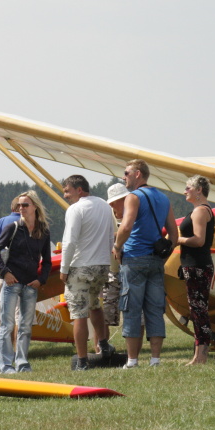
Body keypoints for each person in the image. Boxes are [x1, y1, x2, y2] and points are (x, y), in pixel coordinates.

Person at [113, 159, 178, 369]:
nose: (124, 177)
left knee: (131, 309)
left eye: (126, 173)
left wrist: (117, 246)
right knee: (155, 309)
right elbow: (174, 234)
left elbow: (126, 227)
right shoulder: (164, 198)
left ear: (138, 174)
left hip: (134, 258)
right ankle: (155, 359)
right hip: (156, 260)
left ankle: (132, 360)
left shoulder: (133, 197)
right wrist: (164, 256)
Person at [0, 190, 52, 374]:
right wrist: (5, 273)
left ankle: (23, 363)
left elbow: (47, 261)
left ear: (35, 207)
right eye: (19, 205)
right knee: (7, 325)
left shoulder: (43, 231)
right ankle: (5, 366)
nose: (21, 208)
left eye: (25, 205)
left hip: (31, 285)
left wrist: (41, 280)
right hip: (11, 283)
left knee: (25, 326)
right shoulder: (13, 227)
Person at [60, 175, 116, 371]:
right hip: (102, 265)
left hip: (80, 267)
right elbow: (110, 237)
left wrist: (64, 269)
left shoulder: (75, 209)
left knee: (79, 314)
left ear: (79, 190)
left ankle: (82, 361)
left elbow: (69, 242)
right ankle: (104, 344)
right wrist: (105, 260)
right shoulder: (104, 206)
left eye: (67, 191)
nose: (65, 195)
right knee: (95, 305)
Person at [177, 175, 215, 365]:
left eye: (188, 188)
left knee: (199, 311)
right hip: (195, 265)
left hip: (197, 266)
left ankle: (201, 356)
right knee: (197, 310)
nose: (185, 191)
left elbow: (199, 240)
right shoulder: (201, 210)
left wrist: (177, 240)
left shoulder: (200, 211)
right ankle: (198, 355)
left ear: (199, 190)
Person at [97, 183, 130, 349]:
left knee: (133, 310)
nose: (113, 205)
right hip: (110, 270)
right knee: (104, 313)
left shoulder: (134, 212)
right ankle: (101, 347)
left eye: (117, 201)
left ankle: (133, 350)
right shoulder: (106, 214)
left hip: (130, 269)